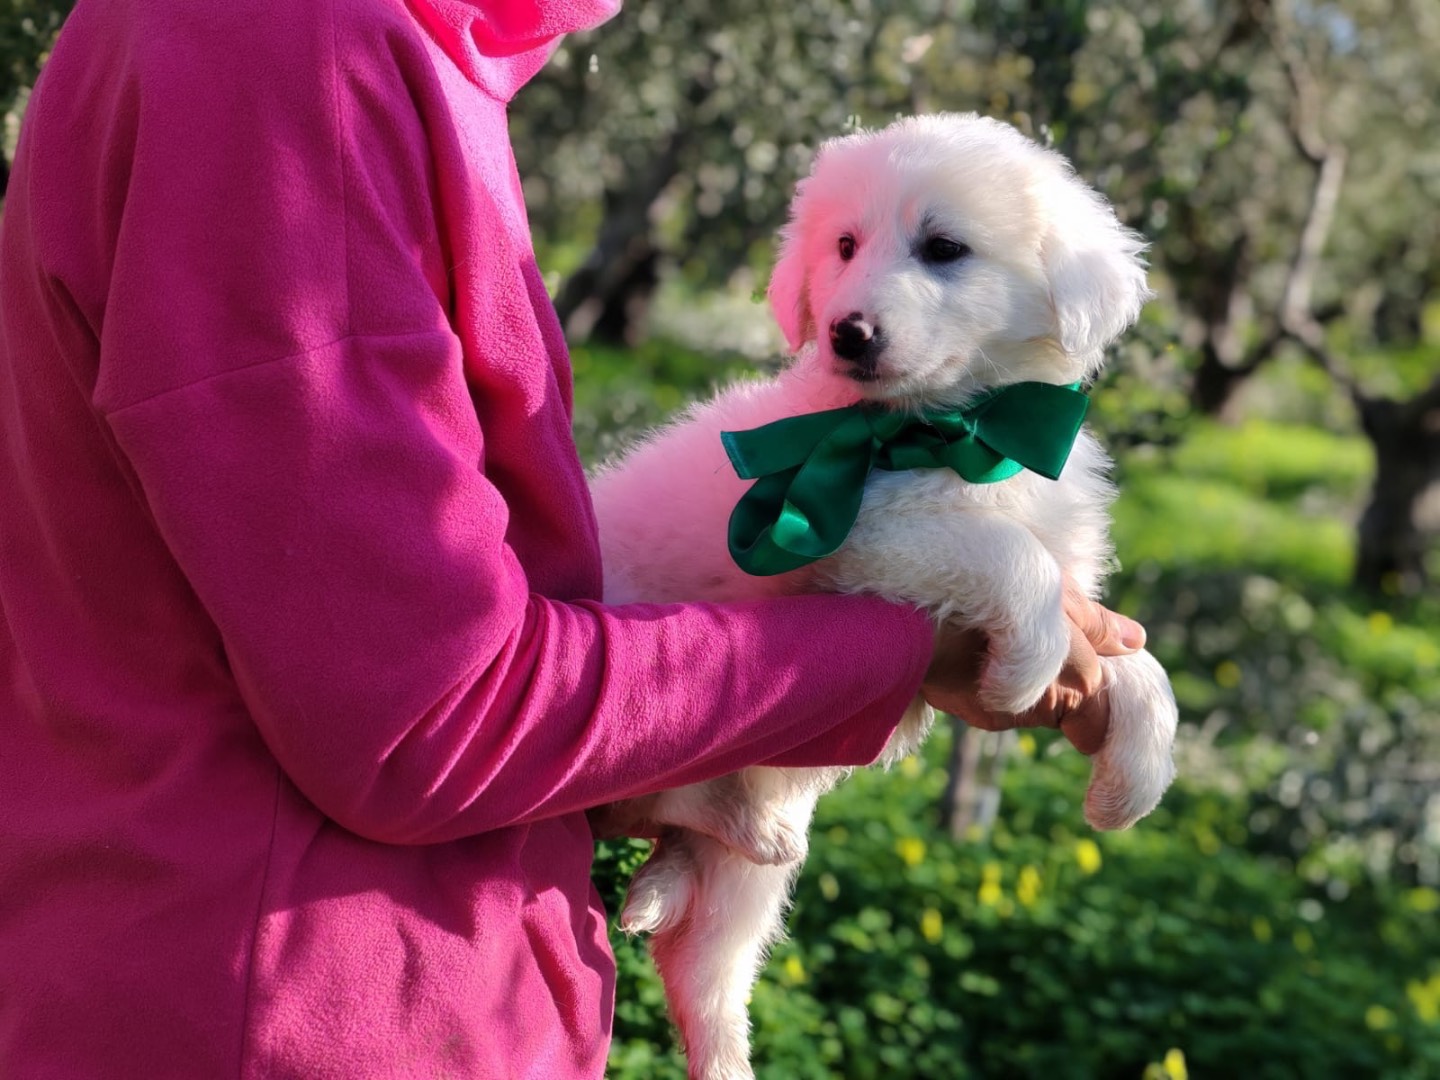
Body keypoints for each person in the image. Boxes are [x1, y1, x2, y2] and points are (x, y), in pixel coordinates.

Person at [0, 0, 1145, 1076]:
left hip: (350, 972)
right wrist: (900, 651)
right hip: (309, 1007)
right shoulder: (289, 60)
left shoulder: (375, 51)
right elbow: (427, 716)